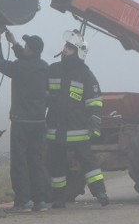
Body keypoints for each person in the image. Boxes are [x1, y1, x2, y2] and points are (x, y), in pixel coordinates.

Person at [46, 30, 110, 207]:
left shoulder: (85, 75)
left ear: (79, 52)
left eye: (70, 48)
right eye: (66, 46)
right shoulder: (53, 70)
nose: (65, 49)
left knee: (88, 163)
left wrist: (95, 127)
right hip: (56, 129)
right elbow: (44, 96)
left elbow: (95, 103)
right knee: (56, 166)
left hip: (78, 130)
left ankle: (100, 192)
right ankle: (59, 198)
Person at [0, 29, 50, 212]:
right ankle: (39, 200)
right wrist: (14, 43)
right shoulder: (43, 67)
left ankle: (23, 201)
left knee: (19, 162)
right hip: (39, 122)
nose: (23, 48)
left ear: (31, 50)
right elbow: (27, 59)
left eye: (25, 46)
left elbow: (0, 64)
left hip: (21, 122)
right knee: (36, 161)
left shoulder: (19, 67)